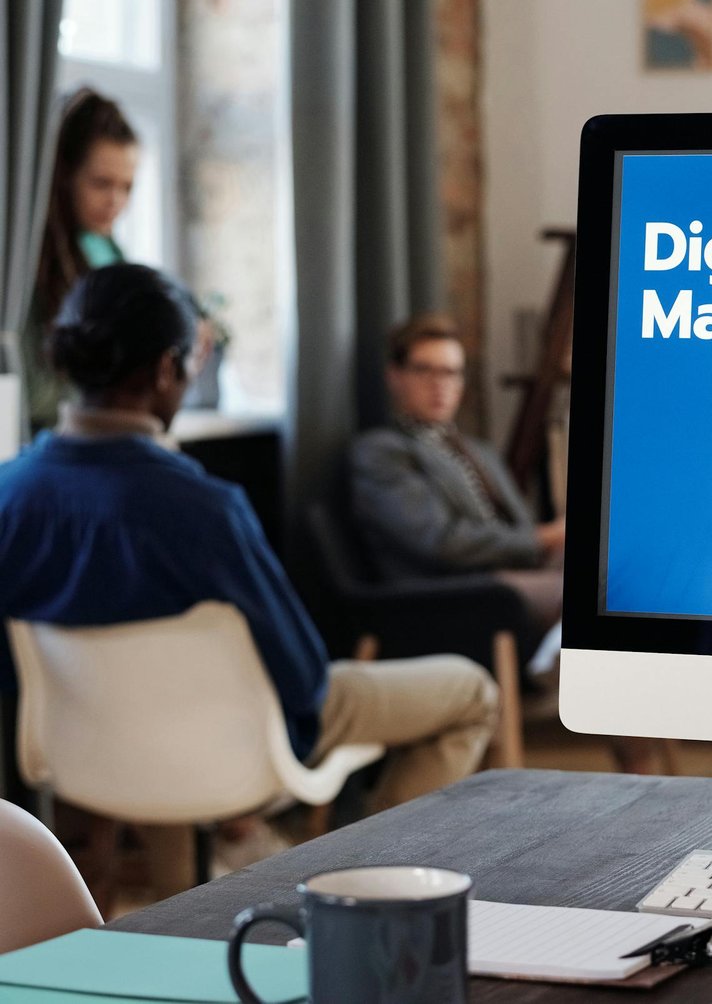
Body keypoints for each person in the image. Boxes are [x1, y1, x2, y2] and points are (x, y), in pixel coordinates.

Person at [0, 265, 499, 816]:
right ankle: (373, 875)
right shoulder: (202, 509)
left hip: (86, 750)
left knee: (161, 713)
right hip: (226, 747)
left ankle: (191, 886)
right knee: (472, 693)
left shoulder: (8, 495)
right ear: (168, 368)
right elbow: (302, 676)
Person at [349, 313, 565, 626]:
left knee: (624, 572)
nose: (439, 385)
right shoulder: (382, 451)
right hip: (452, 591)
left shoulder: (479, 451)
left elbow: (519, 524)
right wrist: (543, 539)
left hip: (519, 567)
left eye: (451, 373)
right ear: (395, 376)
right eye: (424, 371)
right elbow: (440, 542)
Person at [25, 89, 140, 431]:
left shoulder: (109, 252)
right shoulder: (29, 262)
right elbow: (35, 391)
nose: (115, 202)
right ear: (63, 176)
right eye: (101, 184)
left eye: (127, 187)